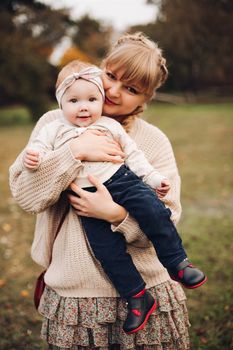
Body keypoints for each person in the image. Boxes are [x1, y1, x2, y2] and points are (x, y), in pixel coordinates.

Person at [9, 32, 197, 349]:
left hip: (149, 285)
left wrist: (115, 214)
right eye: (110, 75)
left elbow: (169, 217)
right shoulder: (53, 124)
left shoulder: (152, 141)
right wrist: (74, 152)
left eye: (131, 88)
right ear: (101, 67)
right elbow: (26, 196)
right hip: (75, 294)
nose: (113, 90)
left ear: (144, 99)